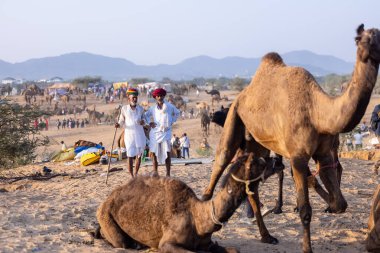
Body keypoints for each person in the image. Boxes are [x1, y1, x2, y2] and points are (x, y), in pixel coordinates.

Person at [145, 88, 180, 176]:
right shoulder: (153, 108)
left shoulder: (169, 106)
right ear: (155, 97)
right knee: (154, 153)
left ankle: (168, 174)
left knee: (167, 152)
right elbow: (146, 116)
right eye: (158, 96)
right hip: (155, 132)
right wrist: (150, 122)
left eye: (161, 96)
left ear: (164, 96)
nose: (160, 97)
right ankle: (155, 172)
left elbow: (177, 113)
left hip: (166, 132)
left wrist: (172, 121)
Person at [115, 88, 146, 178]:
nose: (135, 99)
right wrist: (118, 124)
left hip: (139, 134)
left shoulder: (140, 109)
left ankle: (136, 173)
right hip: (129, 135)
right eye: (133, 98)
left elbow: (144, 119)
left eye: (136, 98)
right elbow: (121, 121)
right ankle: (131, 175)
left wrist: (143, 122)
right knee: (130, 155)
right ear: (129, 99)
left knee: (139, 155)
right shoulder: (124, 109)